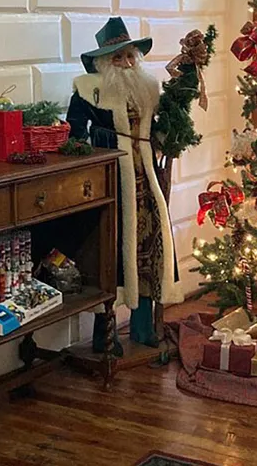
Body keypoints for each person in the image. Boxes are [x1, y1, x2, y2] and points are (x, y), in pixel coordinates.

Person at [66, 17, 182, 354]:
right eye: (119, 58)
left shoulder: (148, 90)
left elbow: (161, 131)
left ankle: (143, 327)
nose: (127, 63)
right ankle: (107, 331)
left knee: (148, 250)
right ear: (105, 63)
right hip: (112, 183)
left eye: (130, 56)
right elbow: (75, 134)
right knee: (113, 253)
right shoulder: (89, 91)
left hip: (146, 179)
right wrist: (102, 140)